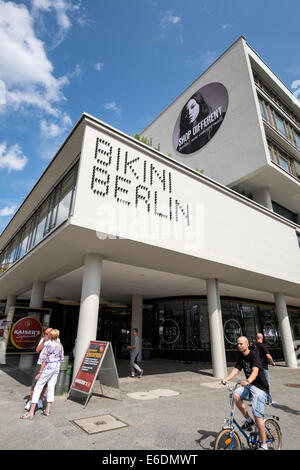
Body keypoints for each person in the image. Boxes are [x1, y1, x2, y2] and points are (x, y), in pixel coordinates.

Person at [221, 336, 270, 450]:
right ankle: (248, 420)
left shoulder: (254, 355)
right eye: (237, 344)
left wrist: (248, 380)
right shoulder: (241, 357)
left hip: (260, 388)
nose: (238, 346)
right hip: (250, 385)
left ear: (247, 344)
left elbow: (255, 371)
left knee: (257, 415)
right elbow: (235, 370)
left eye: (241, 344)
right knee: (235, 395)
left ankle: (264, 445)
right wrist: (226, 379)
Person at [20, 329, 64, 419]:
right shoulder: (60, 345)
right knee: (51, 387)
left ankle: (31, 412)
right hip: (56, 367)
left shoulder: (48, 345)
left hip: (47, 368)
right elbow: (62, 358)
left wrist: (40, 372)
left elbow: (44, 360)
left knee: (37, 387)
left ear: (50, 335)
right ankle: (47, 410)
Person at [24, 327, 53, 411]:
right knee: (34, 383)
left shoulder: (56, 341)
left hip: (49, 365)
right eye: (45, 333)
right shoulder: (43, 340)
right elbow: (37, 350)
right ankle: (31, 400)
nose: (46, 335)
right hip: (40, 363)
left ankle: (40, 399)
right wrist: (44, 340)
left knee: (45, 385)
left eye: (47, 334)